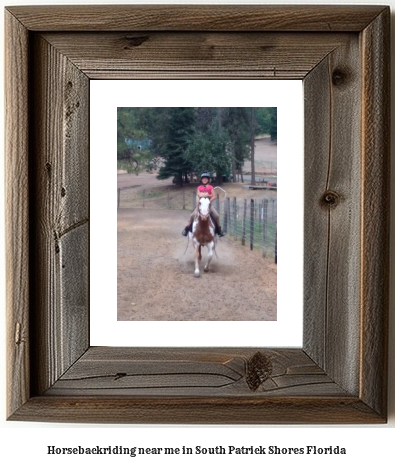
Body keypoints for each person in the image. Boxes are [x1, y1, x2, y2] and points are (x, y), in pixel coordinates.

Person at [182, 173, 225, 237]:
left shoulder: (211, 187)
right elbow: (198, 195)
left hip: (208, 205)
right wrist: (207, 195)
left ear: (208, 180)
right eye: (203, 179)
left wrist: (208, 201)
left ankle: (219, 230)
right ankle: (187, 229)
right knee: (192, 215)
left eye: (206, 179)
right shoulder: (199, 187)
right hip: (201, 205)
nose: (204, 180)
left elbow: (214, 196)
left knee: (217, 216)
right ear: (201, 180)